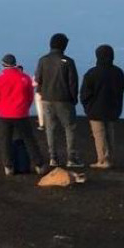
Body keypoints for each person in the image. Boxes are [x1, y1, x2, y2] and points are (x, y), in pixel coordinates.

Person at [0, 54, 46, 176]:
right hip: (21, 114)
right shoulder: (24, 78)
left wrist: (0, 110)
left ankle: (8, 167)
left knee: (5, 140)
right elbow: (30, 96)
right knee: (29, 139)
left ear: (3, 65)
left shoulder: (0, 79)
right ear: (15, 64)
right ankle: (39, 165)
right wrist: (25, 108)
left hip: (4, 115)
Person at [35, 33, 83, 168]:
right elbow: (73, 83)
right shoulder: (68, 61)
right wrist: (74, 99)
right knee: (70, 128)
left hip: (46, 99)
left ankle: (53, 158)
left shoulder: (43, 60)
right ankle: (71, 158)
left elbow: (38, 79)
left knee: (50, 128)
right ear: (64, 45)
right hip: (64, 99)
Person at [80, 45, 124, 169]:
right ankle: (110, 158)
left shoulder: (92, 73)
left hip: (95, 109)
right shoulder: (118, 72)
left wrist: (88, 107)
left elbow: (84, 94)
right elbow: (121, 90)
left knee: (99, 134)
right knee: (110, 133)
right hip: (113, 108)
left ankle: (103, 160)